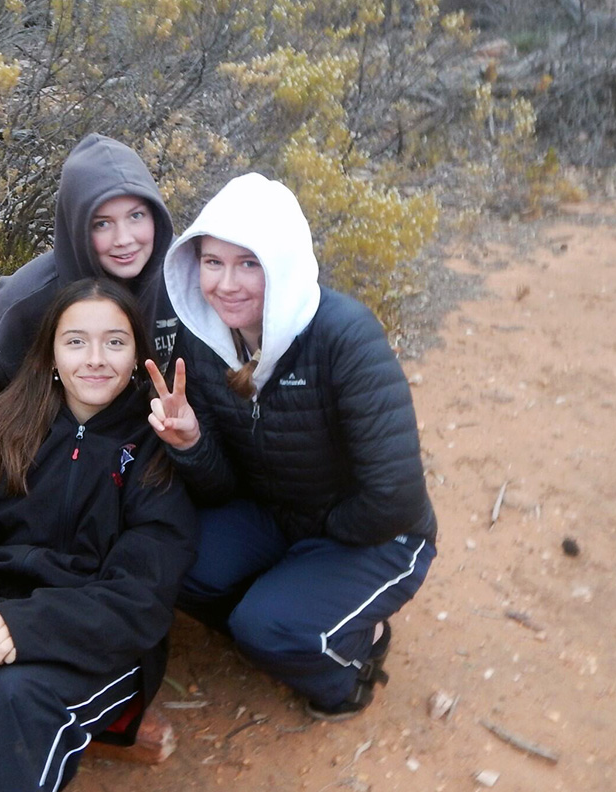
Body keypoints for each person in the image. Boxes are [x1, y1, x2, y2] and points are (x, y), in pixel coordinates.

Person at [0, 280, 197, 791]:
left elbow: (143, 592)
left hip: (90, 632)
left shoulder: (154, 449)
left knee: (17, 696)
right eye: (76, 342)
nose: (95, 359)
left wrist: (30, 625)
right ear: (50, 354)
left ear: (137, 356)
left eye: (115, 342)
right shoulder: (0, 428)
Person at [145, 173, 437, 720]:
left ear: (280, 264)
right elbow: (223, 486)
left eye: (248, 264)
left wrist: (317, 536)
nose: (226, 284)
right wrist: (191, 442)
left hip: (378, 533)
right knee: (172, 561)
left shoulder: (344, 337)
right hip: (280, 514)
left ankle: (352, 664)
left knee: (268, 627)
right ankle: (280, 612)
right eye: (212, 262)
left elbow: (394, 496)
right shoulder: (206, 340)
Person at [0, 132, 177, 527]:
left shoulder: (185, 282)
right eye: (102, 223)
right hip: (42, 461)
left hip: (145, 463)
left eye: (136, 216)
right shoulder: (28, 299)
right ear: (76, 225)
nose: (125, 239)